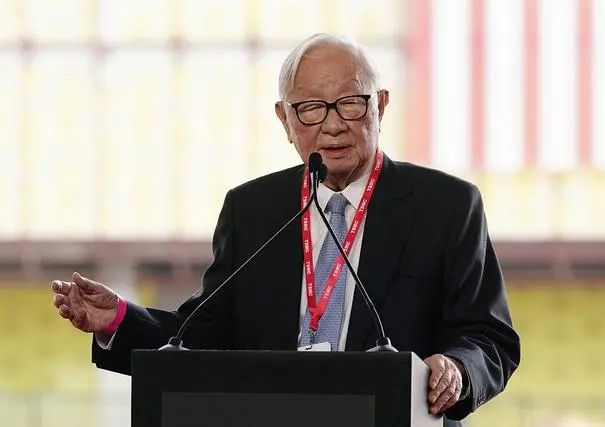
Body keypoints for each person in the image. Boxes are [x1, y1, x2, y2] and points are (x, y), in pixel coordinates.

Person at [51, 33, 520, 425]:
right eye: (310, 109)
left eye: (350, 104)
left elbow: (489, 336)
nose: (332, 126)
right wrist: (119, 321)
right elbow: (202, 335)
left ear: (380, 104)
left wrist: (457, 370)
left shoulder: (446, 206)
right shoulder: (252, 210)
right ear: (285, 119)